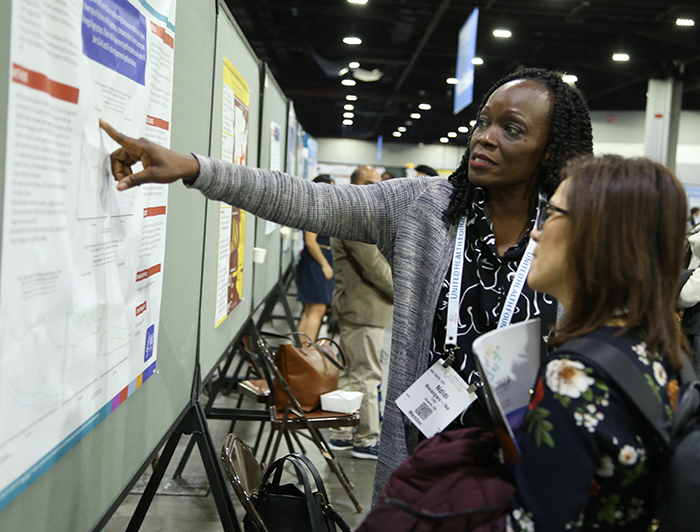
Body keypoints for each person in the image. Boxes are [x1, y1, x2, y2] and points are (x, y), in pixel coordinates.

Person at [99, 66, 594, 502]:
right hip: (422, 467)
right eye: (483, 121)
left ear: (550, 150)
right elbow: (308, 202)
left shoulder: (576, 235)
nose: (484, 137)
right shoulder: (423, 208)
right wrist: (196, 168)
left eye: (511, 129)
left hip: (525, 475)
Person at [509, 155, 687, 531]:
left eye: (552, 213)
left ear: (597, 234)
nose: (536, 233)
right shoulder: (663, 350)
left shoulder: (572, 375)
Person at [328, 165, 394, 460]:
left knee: (354, 373)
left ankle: (341, 433)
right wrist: (404, 289)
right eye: (368, 183)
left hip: (359, 308)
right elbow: (375, 269)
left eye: (377, 183)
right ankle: (366, 439)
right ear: (354, 185)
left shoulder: (355, 215)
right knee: (366, 375)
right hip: (363, 308)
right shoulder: (355, 218)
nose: (374, 188)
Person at [296, 174, 335, 341]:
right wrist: (325, 264)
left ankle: (301, 353)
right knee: (316, 310)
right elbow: (310, 241)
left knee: (311, 310)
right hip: (317, 262)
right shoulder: (314, 209)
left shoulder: (321, 208)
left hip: (318, 260)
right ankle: (305, 353)